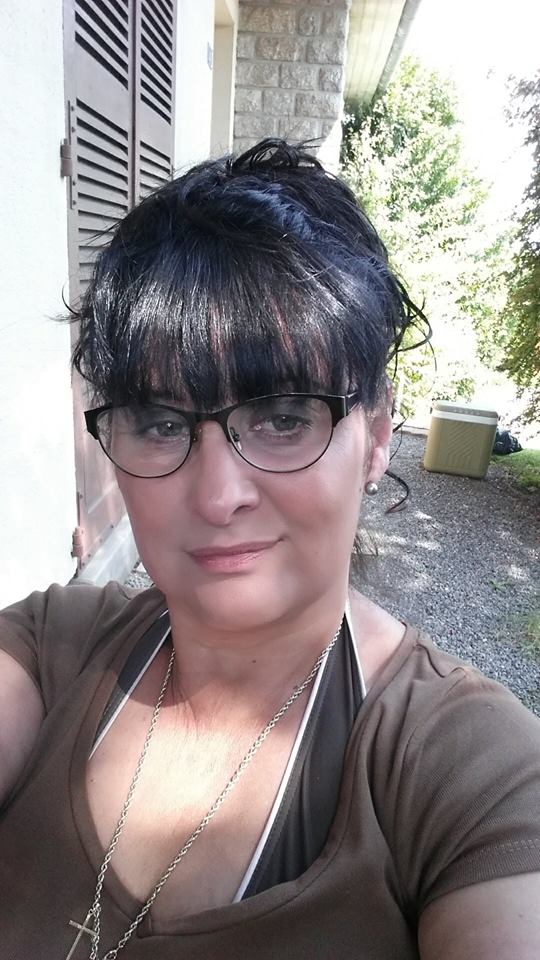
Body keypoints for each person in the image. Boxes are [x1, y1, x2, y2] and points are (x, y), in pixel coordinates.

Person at [0, 139, 539, 960]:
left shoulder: (468, 774)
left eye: (284, 417)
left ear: (376, 436)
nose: (218, 496)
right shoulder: (52, 648)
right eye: (161, 423)